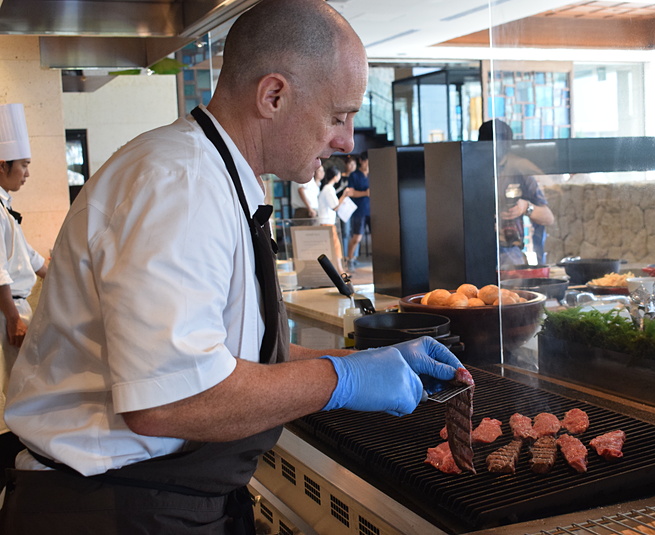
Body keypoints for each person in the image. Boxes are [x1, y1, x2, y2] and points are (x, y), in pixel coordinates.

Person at [0, 2, 463, 533]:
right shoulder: (182, 183)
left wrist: (364, 358)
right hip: (113, 509)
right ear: (273, 96)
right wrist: (341, 379)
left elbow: (217, 357)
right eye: (338, 115)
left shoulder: (215, 174)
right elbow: (170, 399)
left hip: (154, 496)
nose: (347, 140)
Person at [0, 103, 47, 491]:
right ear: (3, 165)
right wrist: (12, 318)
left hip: (14, 307)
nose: (28, 173)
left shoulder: (5, 204)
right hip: (6, 311)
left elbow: (29, 257)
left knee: (16, 392)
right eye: (24, 165)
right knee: (9, 398)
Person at [478, 119, 555, 267]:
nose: (496, 147)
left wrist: (525, 207)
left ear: (509, 144)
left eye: (501, 142)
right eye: (488, 143)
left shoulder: (519, 167)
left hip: (508, 251)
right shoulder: (470, 168)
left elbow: (548, 217)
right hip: (475, 249)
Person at [345, 151, 370, 269]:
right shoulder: (354, 175)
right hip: (359, 210)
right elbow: (350, 192)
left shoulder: (373, 174)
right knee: (357, 237)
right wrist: (365, 193)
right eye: (366, 162)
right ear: (361, 161)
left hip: (373, 210)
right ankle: (350, 258)